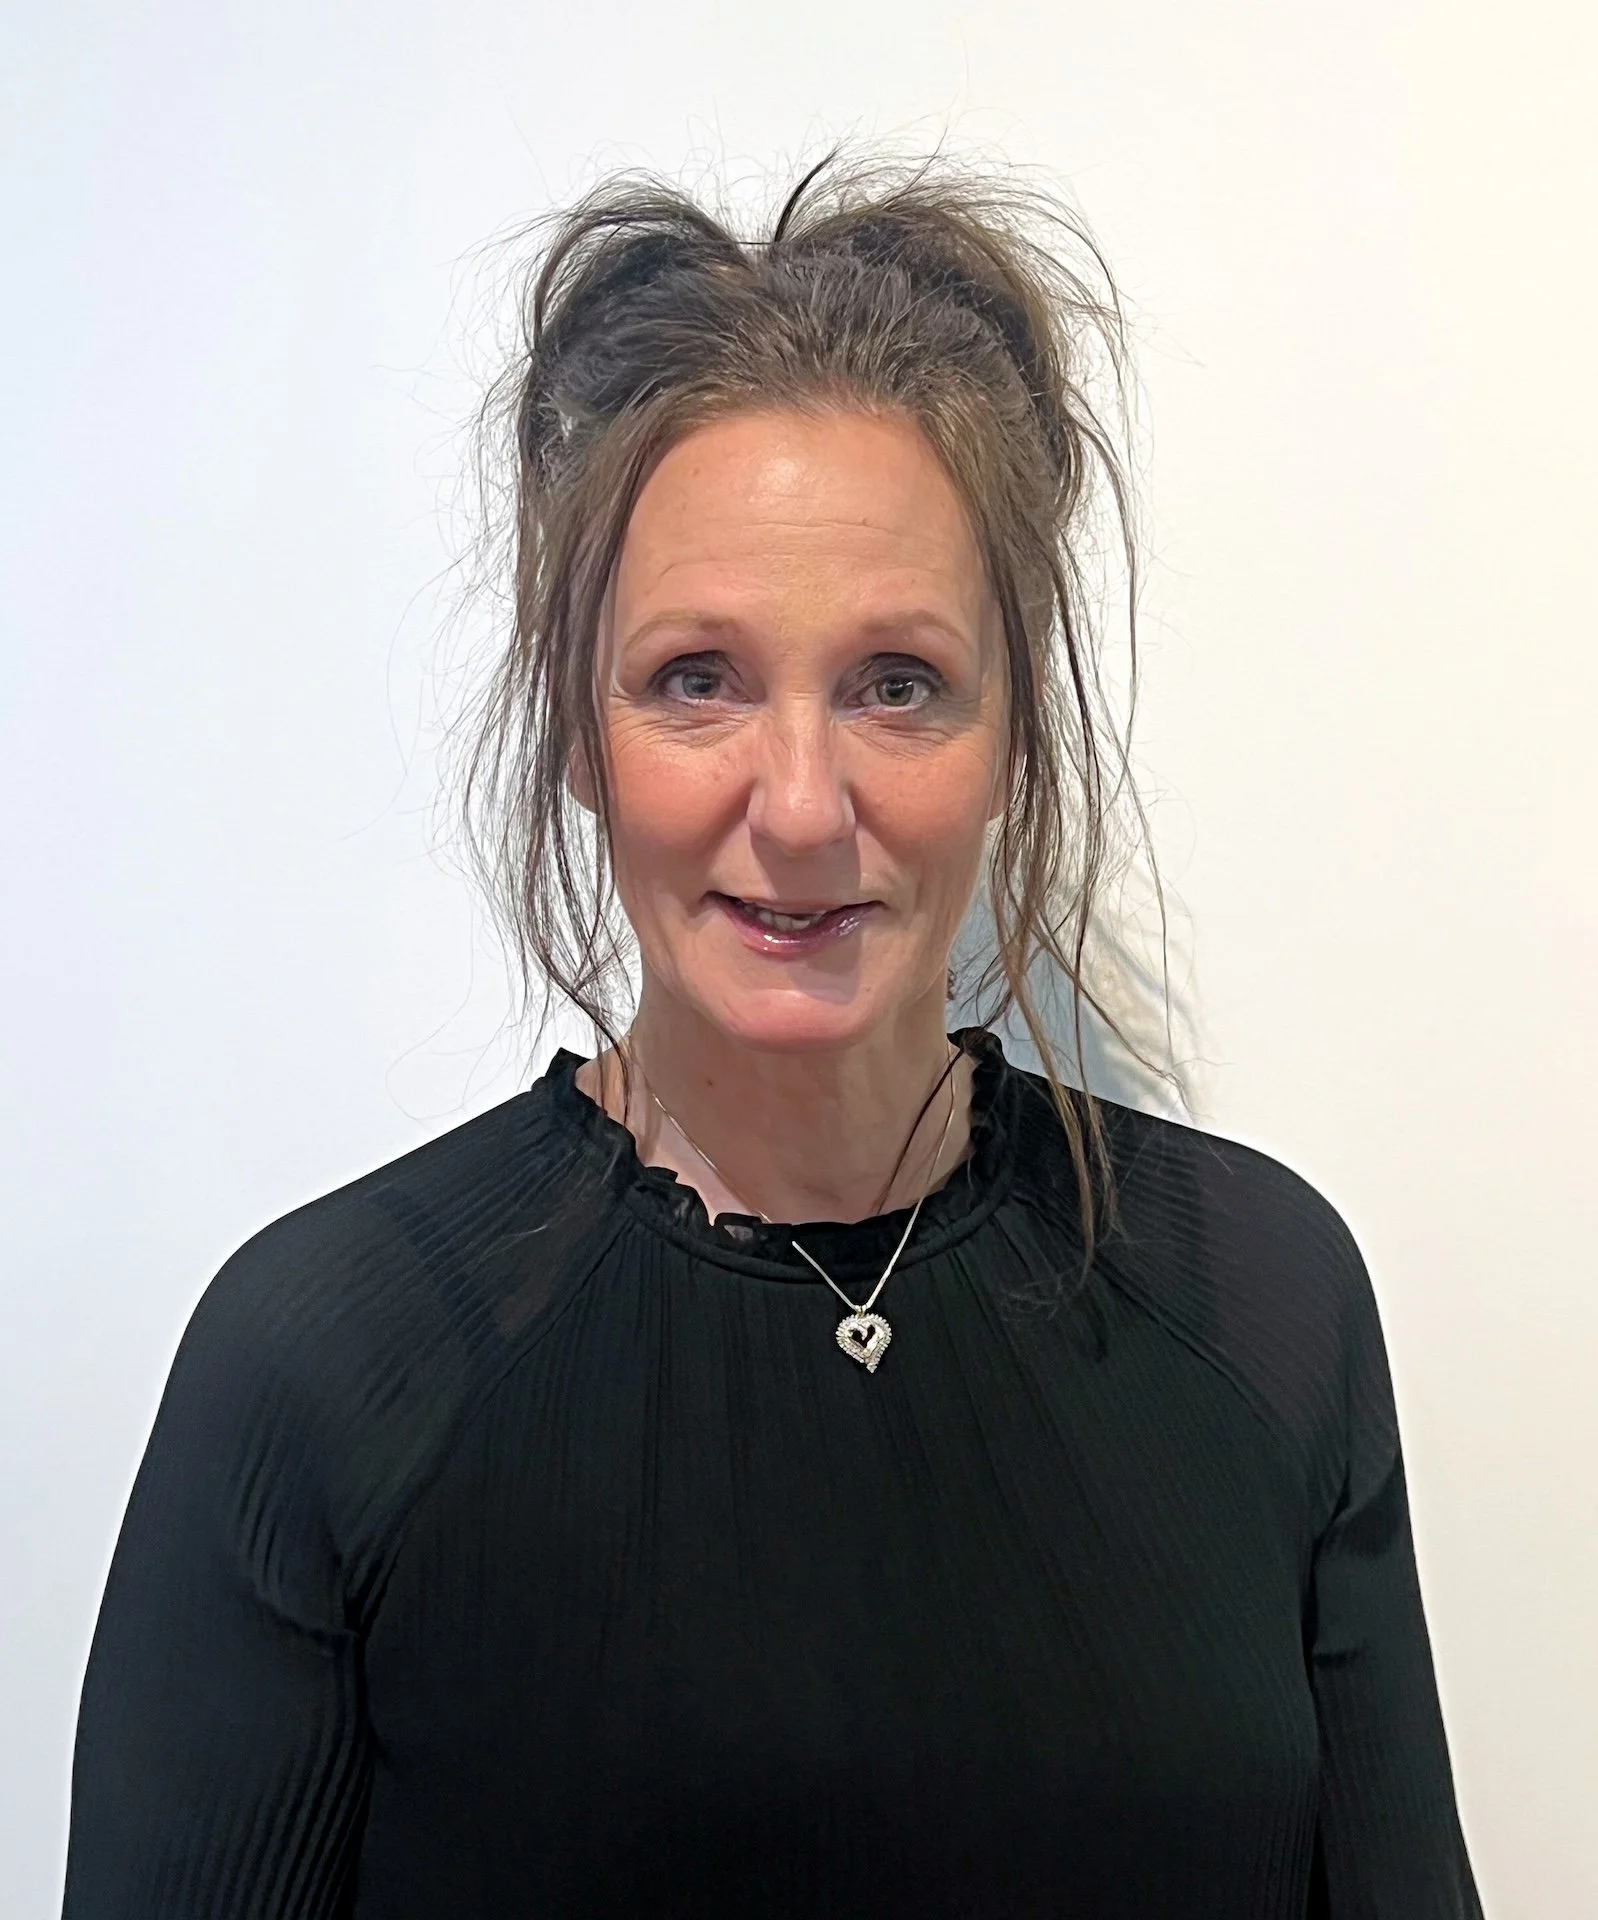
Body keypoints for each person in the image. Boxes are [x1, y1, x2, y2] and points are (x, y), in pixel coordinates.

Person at [61, 157, 1483, 1918]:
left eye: (896, 683)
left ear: (1010, 733)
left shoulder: (1262, 1300)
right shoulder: (327, 1368)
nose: (801, 807)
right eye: (697, 679)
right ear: (575, 729)